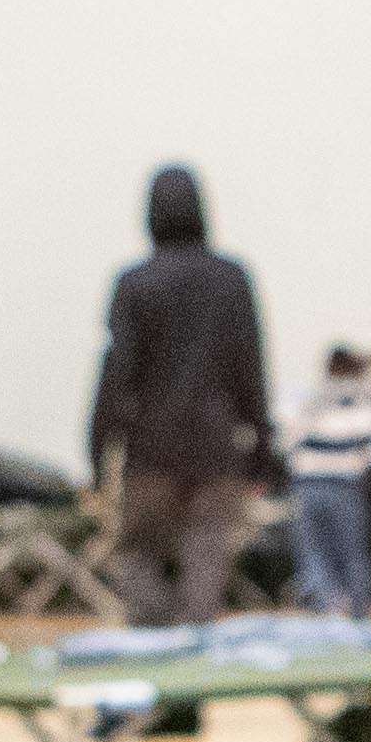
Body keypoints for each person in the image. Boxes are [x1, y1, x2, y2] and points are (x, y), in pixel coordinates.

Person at [87, 166, 272, 626]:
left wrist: (97, 449)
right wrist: (262, 447)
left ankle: (154, 659)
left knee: (139, 559)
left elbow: (116, 372)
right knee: (206, 568)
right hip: (216, 449)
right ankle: (191, 673)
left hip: (150, 451)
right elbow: (250, 366)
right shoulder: (232, 280)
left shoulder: (134, 283)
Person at [286, 344, 371, 614]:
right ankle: (357, 613)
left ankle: (326, 611)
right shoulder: (361, 402)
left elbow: (285, 441)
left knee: (313, 555)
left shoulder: (306, 399)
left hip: (307, 486)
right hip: (345, 487)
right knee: (352, 555)